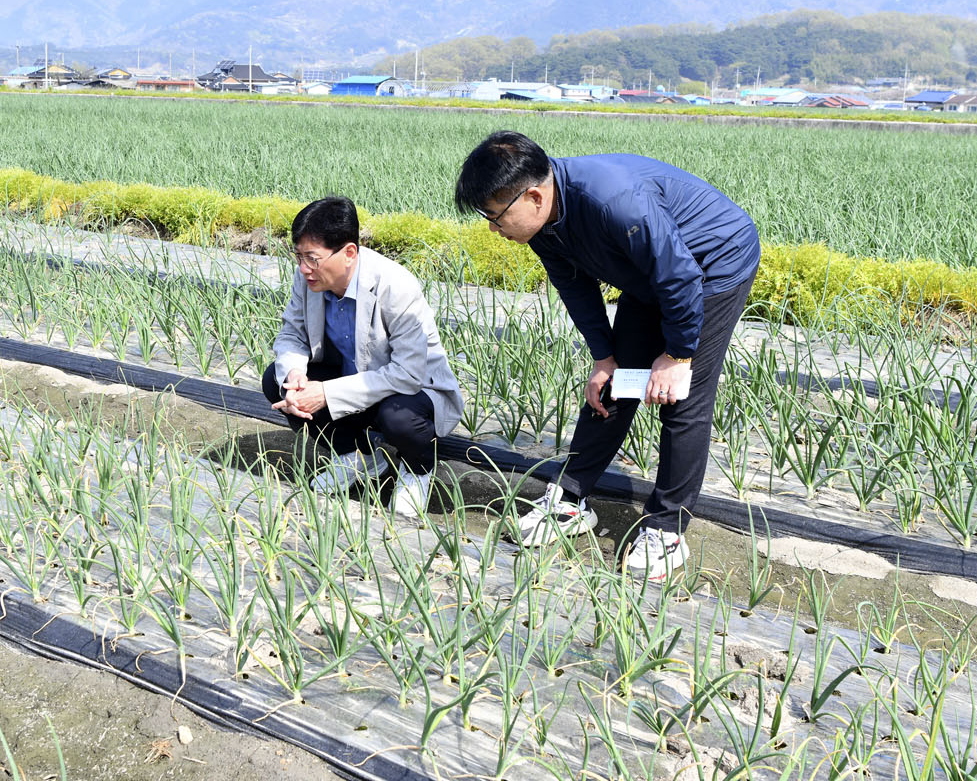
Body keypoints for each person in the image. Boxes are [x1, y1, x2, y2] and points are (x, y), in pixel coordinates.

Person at [454, 131, 760, 580]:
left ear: (534, 196)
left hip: (712, 266)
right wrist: (604, 358)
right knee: (619, 384)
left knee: (681, 397)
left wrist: (677, 357)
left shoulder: (614, 200)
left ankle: (667, 527)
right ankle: (572, 499)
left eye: (496, 216)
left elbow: (680, 277)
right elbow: (575, 286)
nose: (492, 228)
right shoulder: (543, 226)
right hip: (652, 273)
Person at [265, 196, 465, 522]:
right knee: (276, 380)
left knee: (398, 417)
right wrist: (296, 376)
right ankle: (357, 456)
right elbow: (291, 335)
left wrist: (326, 394)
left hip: (412, 392)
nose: (303, 268)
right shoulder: (307, 279)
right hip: (354, 381)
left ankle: (418, 469)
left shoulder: (394, 286)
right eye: (298, 256)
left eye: (312, 258)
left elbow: (407, 374)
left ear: (349, 253)